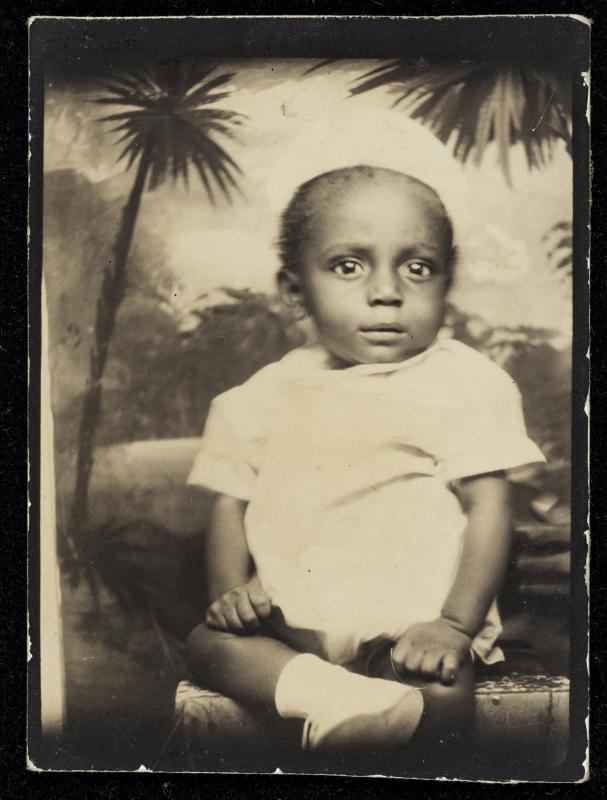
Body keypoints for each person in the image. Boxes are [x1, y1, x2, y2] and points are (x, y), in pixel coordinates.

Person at [185, 165, 545, 754]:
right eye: (348, 266)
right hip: (293, 625)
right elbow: (231, 501)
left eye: (417, 267)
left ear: (445, 285)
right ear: (295, 291)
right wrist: (231, 595)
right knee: (210, 644)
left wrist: (453, 624)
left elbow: (488, 506)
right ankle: (332, 696)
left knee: (443, 694)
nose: (387, 291)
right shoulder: (255, 400)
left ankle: (365, 715)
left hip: (412, 625)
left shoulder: (463, 382)